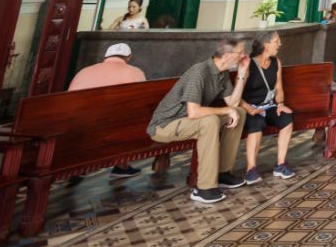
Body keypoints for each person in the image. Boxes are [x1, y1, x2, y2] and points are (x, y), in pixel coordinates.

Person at [147, 38, 250, 204]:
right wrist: (227, 110)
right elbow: (194, 112)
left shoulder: (221, 73)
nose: (244, 56)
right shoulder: (199, 71)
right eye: (241, 53)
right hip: (164, 126)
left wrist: (242, 74)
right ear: (226, 55)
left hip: (187, 122)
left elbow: (233, 103)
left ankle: (223, 172)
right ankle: (204, 188)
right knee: (209, 122)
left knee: (238, 112)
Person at [68, 42, 148, 178]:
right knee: (128, 118)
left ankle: (79, 167)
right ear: (128, 58)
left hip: (75, 122)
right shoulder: (135, 72)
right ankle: (121, 166)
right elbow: (141, 102)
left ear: (105, 57)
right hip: (110, 124)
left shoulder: (85, 71)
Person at [241, 32, 296, 183]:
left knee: (286, 118)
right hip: (249, 108)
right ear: (266, 45)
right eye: (277, 41)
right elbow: (237, 95)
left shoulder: (276, 62)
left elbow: (279, 87)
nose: (280, 44)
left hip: (268, 106)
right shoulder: (248, 65)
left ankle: (280, 164)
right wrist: (250, 109)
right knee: (256, 123)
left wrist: (280, 104)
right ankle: (251, 169)